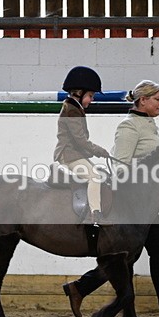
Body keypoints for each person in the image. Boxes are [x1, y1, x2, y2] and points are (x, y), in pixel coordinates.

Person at [62, 80, 159, 317]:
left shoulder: (150, 125)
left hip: (144, 205)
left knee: (148, 253)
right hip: (130, 204)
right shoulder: (129, 127)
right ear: (142, 100)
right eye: (157, 99)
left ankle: (85, 289)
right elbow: (120, 167)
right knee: (131, 256)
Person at [53, 66, 110, 226]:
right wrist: (99, 151)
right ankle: (95, 215)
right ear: (79, 92)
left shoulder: (74, 107)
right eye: (90, 96)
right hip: (69, 155)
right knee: (95, 177)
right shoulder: (72, 110)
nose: (91, 100)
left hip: (75, 154)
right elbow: (81, 140)